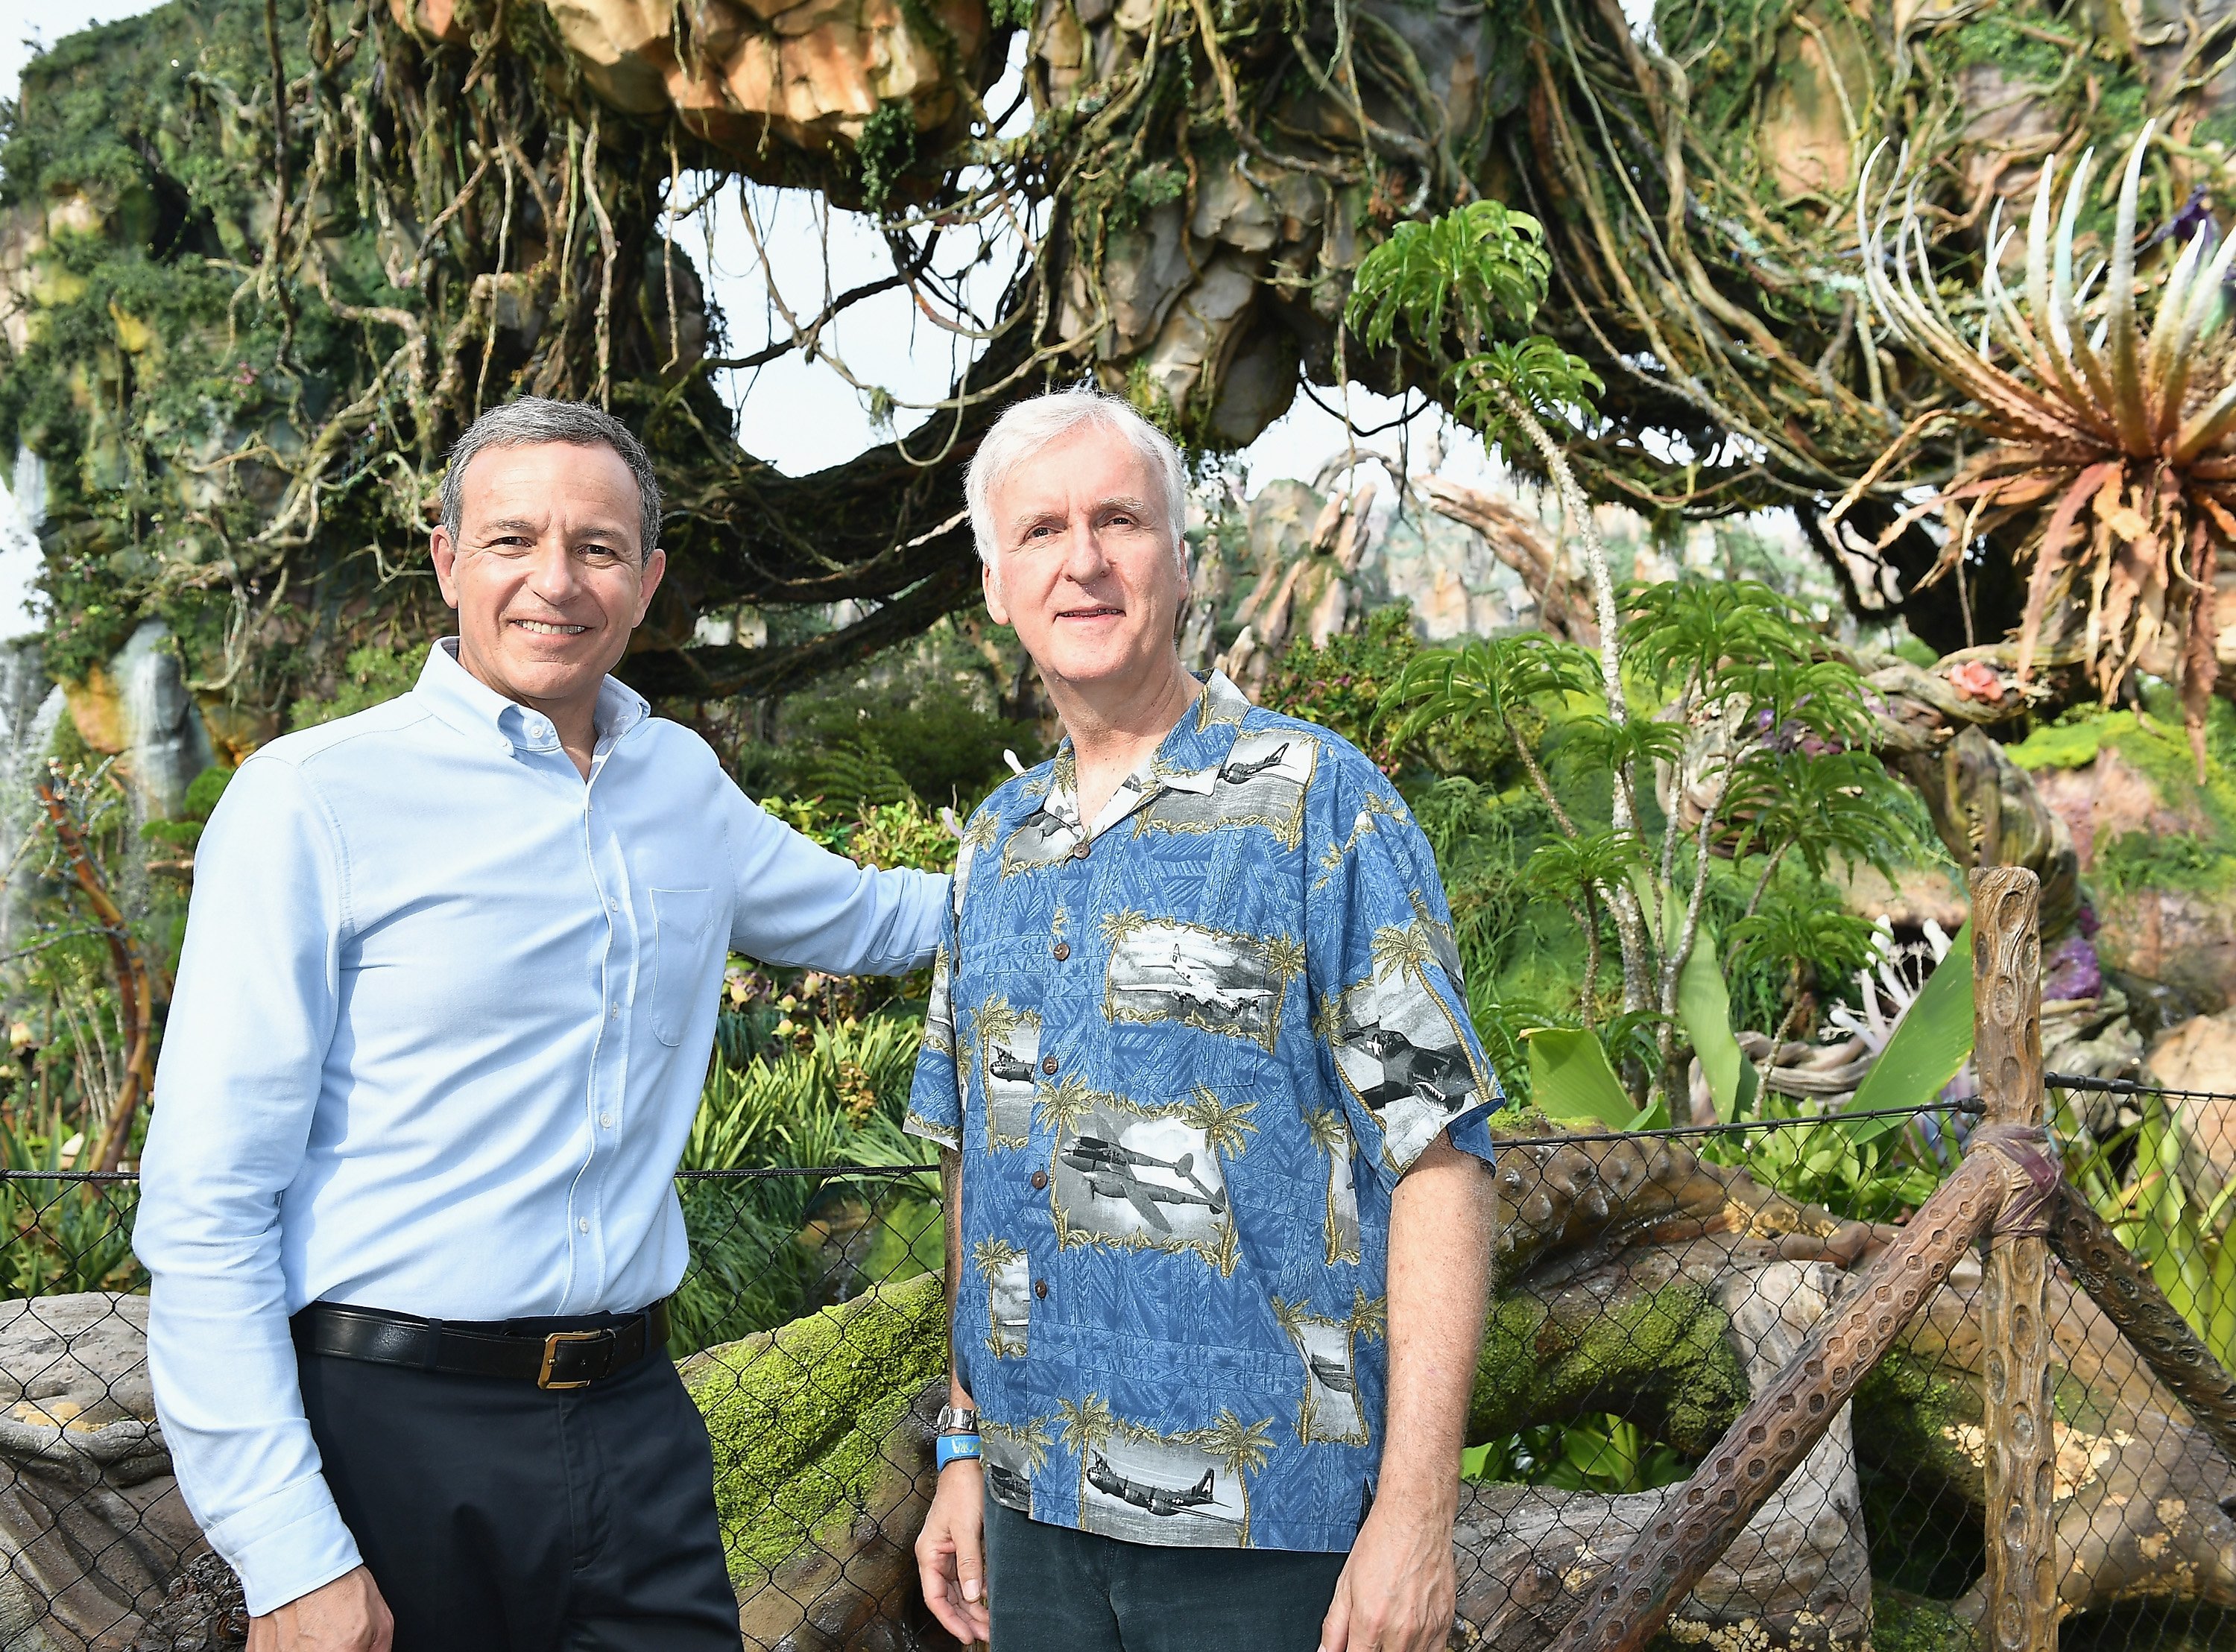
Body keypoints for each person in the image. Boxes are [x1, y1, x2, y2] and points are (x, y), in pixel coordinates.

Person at [134, 397, 948, 1652]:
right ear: (448, 555)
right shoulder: (311, 800)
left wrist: (1100, 850)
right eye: (513, 540)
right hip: (388, 1435)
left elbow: (884, 919)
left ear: (650, 580)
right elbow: (206, 1207)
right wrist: (289, 1551)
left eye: (600, 548)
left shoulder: (682, 783)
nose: (554, 582)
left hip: (638, 1433)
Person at [907, 387, 1501, 1652]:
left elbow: (1443, 1160)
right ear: (998, 583)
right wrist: (963, 1443)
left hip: (1274, 1532)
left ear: (1182, 562)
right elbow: (980, 1171)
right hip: (1037, 1519)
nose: (1083, 560)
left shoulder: (1316, 802)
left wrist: (1416, 1515)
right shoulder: (993, 848)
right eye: (1043, 531)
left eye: (1119, 520)